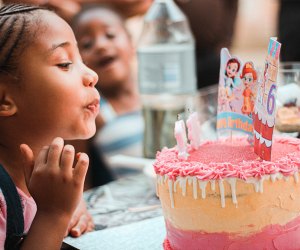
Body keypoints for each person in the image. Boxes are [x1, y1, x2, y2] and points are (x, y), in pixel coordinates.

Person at [0, 4, 99, 248]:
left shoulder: (46, 171)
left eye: (82, 60)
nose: (92, 75)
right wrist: (54, 214)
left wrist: (70, 202)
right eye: (65, 64)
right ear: (4, 99)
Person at [72, 5, 144, 166]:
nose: (100, 46)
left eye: (110, 35)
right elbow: (80, 179)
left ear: (132, 44)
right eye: (87, 45)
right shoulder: (92, 111)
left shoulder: (156, 90)